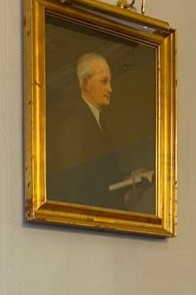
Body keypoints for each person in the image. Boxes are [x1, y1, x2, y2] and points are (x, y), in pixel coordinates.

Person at [48, 52, 150, 209]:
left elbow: (104, 175)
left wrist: (130, 176)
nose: (110, 89)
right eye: (104, 81)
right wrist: (123, 198)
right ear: (86, 84)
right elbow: (78, 189)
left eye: (110, 81)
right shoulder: (74, 125)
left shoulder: (97, 120)